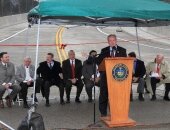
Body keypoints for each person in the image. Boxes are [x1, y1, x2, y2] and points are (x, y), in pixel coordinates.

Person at [97, 34, 127, 117]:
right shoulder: (104, 50)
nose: (112, 42)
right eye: (110, 40)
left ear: (116, 41)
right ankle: (103, 113)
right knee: (104, 94)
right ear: (108, 42)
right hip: (105, 75)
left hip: (118, 76)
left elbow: (125, 63)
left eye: (113, 40)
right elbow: (99, 61)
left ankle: (116, 112)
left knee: (116, 95)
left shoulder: (122, 50)